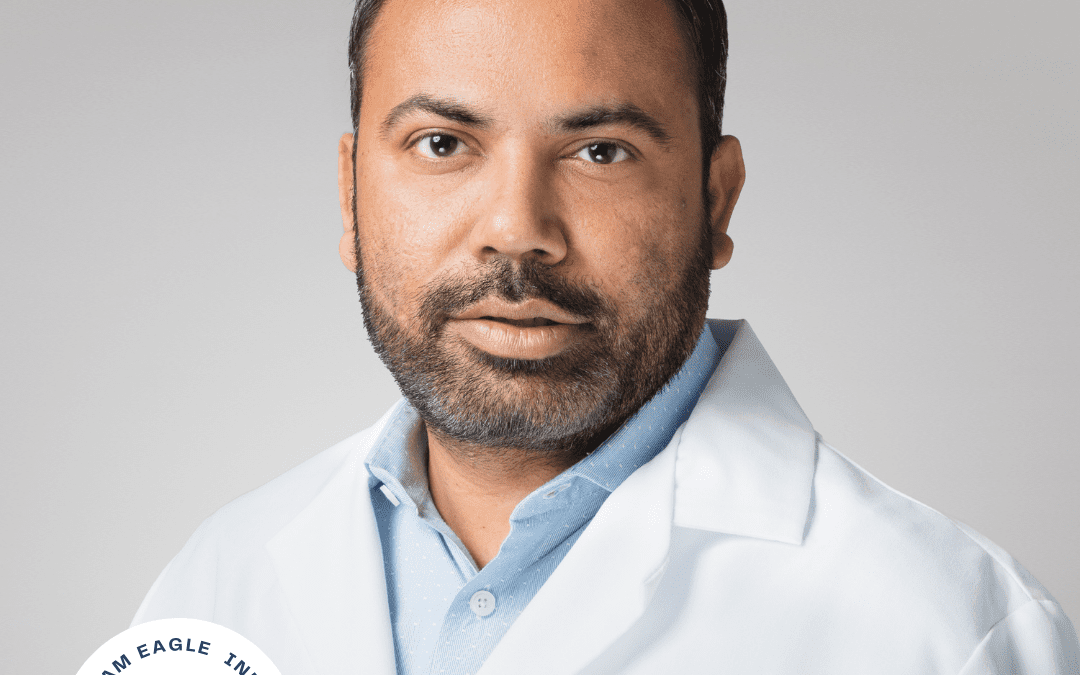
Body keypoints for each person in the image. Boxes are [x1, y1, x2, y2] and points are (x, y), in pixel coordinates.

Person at [131, 0, 1079, 672]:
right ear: (349, 193)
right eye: (442, 143)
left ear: (715, 200)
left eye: (599, 151)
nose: (517, 226)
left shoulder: (946, 632)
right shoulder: (216, 583)